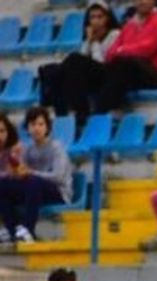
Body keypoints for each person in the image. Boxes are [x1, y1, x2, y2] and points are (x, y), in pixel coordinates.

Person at [0, 108, 73, 245]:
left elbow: (58, 177)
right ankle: (13, 230)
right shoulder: (28, 149)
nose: (37, 128)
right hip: (34, 190)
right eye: (33, 124)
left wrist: (30, 173)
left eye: (41, 124)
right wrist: (15, 173)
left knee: (33, 182)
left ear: (47, 127)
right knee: (3, 186)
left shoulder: (56, 147)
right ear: (27, 128)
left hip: (58, 192)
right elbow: (23, 175)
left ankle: (28, 229)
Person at [40, 2, 118, 121]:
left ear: (107, 18)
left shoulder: (115, 35)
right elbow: (83, 58)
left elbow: (101, 62)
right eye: (92, 17)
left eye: (100, 17)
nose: (96, 21)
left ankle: (76, 108)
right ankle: (61, 113)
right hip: (89, 77)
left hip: (108, 74)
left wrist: (95, 42)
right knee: (51, 69)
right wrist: (89, 41)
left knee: (71, 61)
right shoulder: (89, 36)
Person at [97, 0, 157, 113]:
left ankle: (101, 112)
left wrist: (122, 50)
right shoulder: (129, 26)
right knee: (76, 61)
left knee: (125, 62)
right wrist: (122, 51)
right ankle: (77, 115)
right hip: (127, 72)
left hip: (152, 75)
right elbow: (109, 53)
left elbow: (146, 50)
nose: (142, 1)